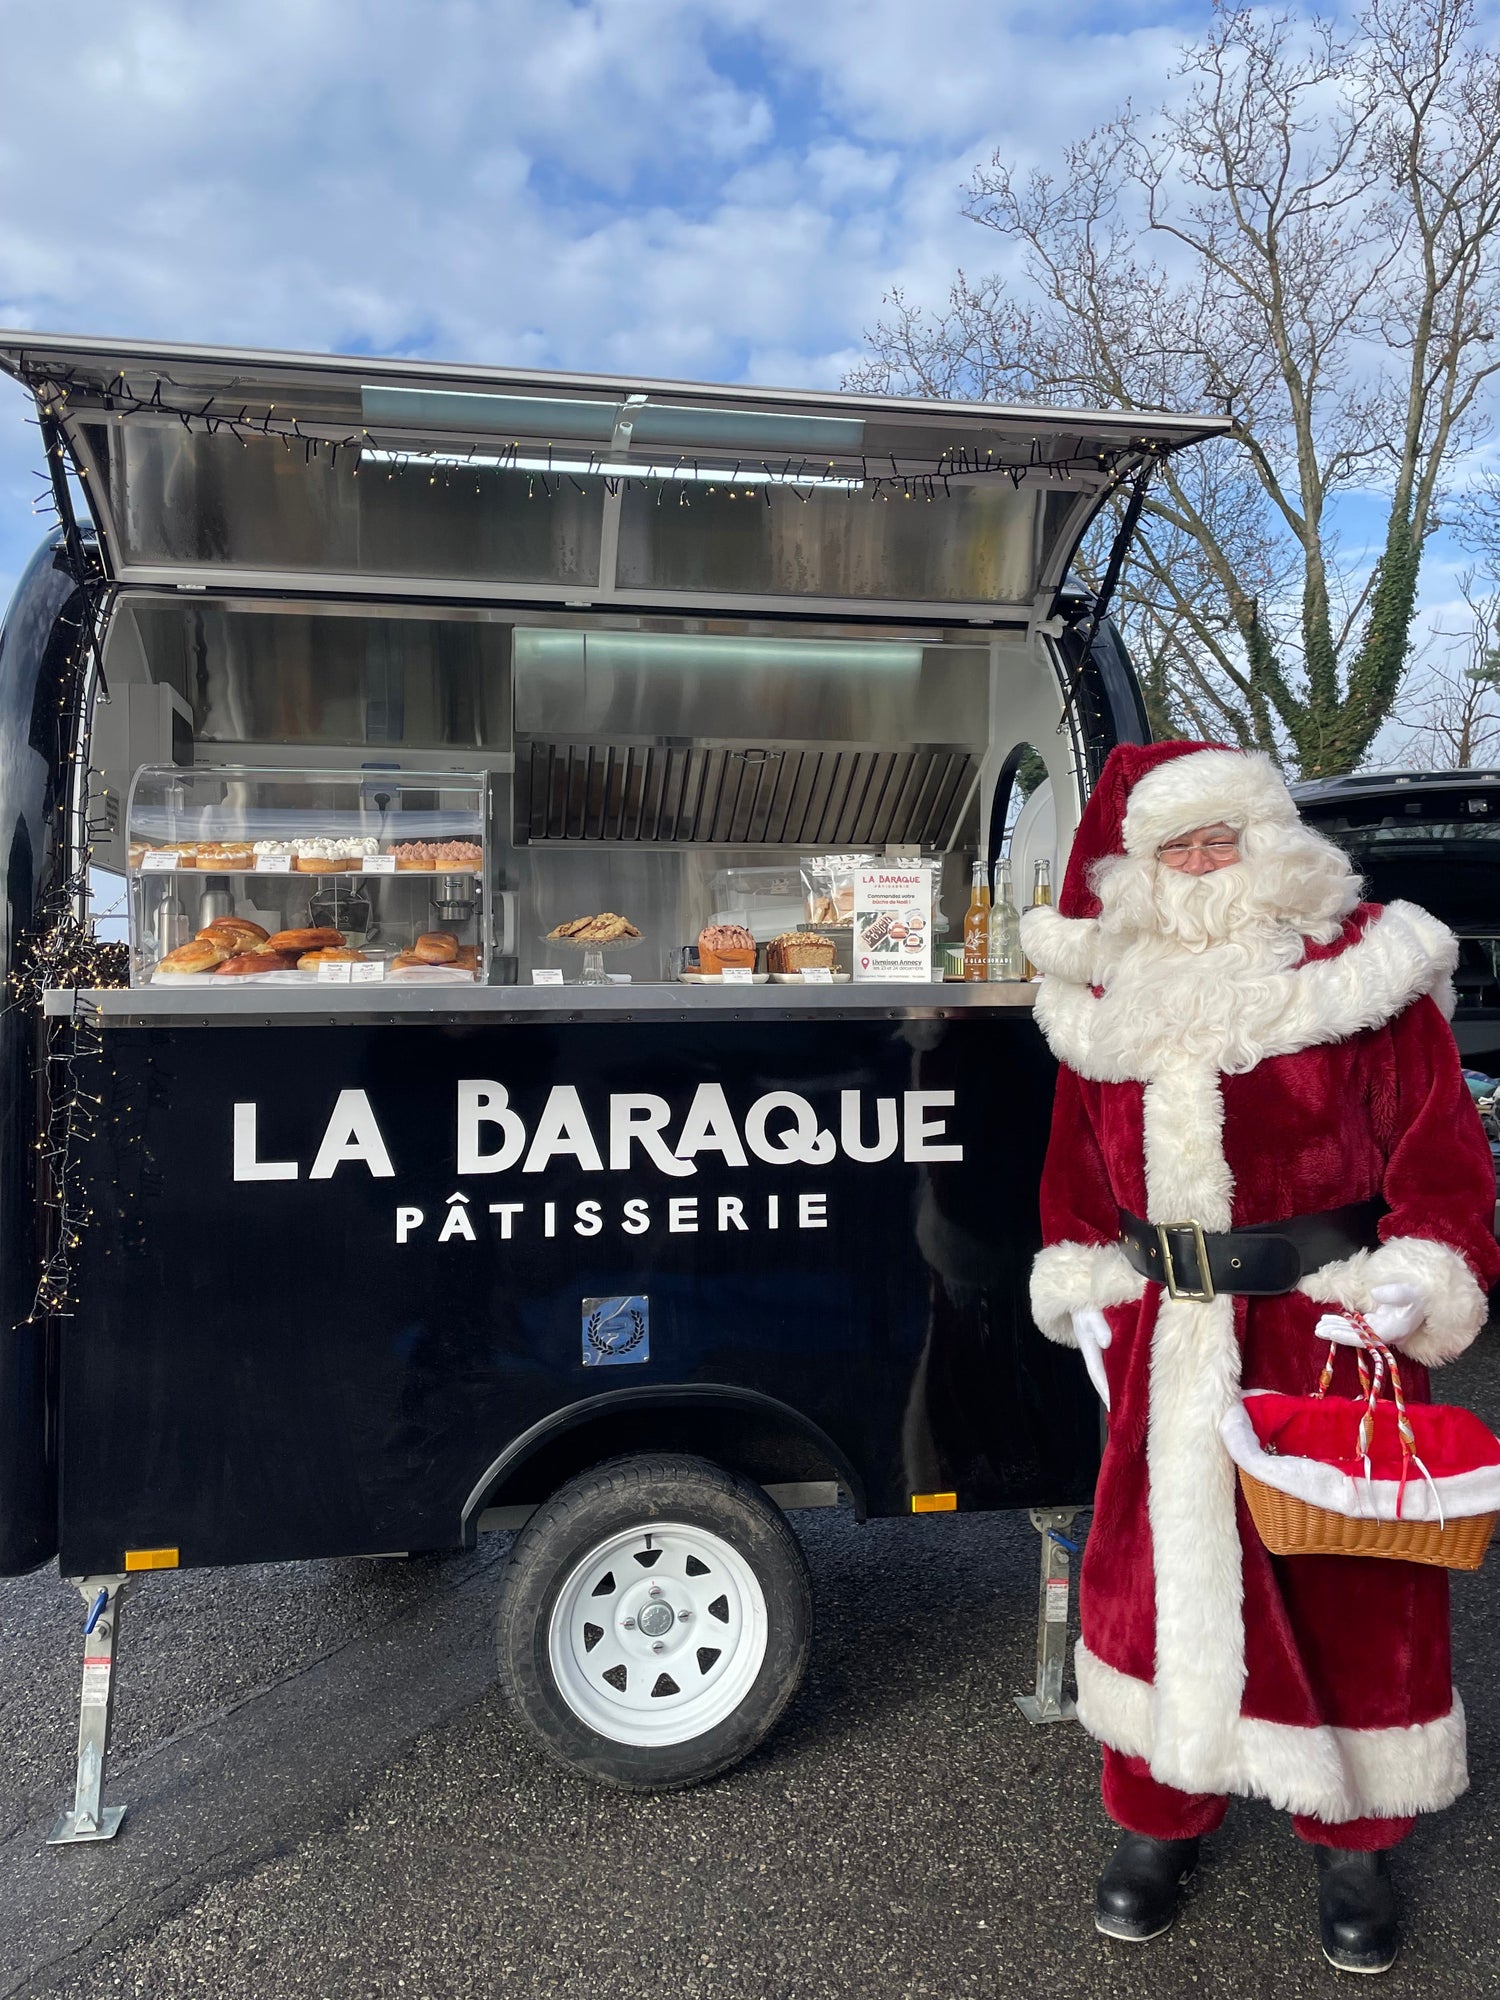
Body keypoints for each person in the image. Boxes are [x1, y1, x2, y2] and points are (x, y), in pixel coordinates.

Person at [1020, 740, 1499, 1975]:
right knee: (1151, 1577)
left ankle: (1357, 1831)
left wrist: (1423, 1270)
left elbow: (1444, 1156)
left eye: (1217, 837)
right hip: (1165, 1331)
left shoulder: (1365, 971)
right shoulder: (1107, 1000)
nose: (1196, 863)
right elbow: (1075, 1177)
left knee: (1347, 1579)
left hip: (1328, 1327)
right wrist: (1087, 1293)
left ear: (1268, 839)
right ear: (1139, 865)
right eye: (1173, 845)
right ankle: (1160, 1808)